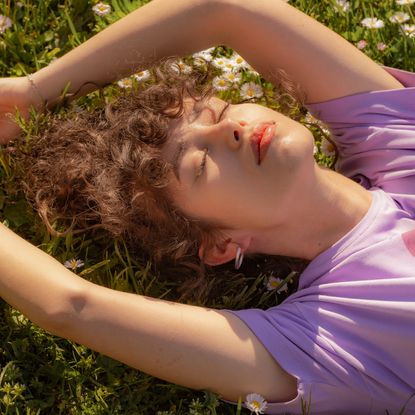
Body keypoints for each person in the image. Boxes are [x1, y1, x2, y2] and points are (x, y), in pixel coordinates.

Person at [0, 0, 414, 413]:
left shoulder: (395, 141)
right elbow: (71, 305)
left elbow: (225, 9)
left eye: (218, 110)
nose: (229, 129)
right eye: (198, 163)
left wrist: (35, 90)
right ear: (220, 243)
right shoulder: (330, 333)